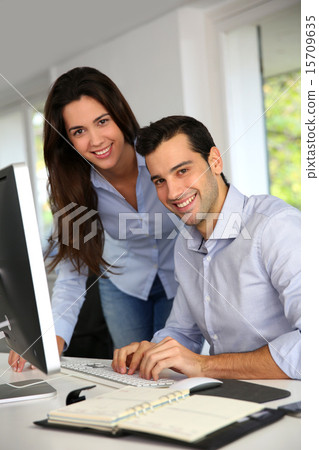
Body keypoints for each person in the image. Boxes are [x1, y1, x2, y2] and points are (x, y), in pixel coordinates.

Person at [8, 67, 178, 372]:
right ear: (68, 140)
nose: (96, 140)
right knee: (133, 373)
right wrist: (50, 339)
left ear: (119, 115)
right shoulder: (74, 187)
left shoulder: (158, 155)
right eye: (79, 131)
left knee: (170, 371)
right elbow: (72, 274)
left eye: (102, 122)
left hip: (180, 279)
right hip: (123, 285)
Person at [112, 115, 301, 380]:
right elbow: (183, 332)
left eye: (182, 171)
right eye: (159, 181)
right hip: (229, 397)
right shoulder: (185, 244)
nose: (174, 192)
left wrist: (204, 365)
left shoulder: (275, 227)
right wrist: (151, 352)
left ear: (215, 161)